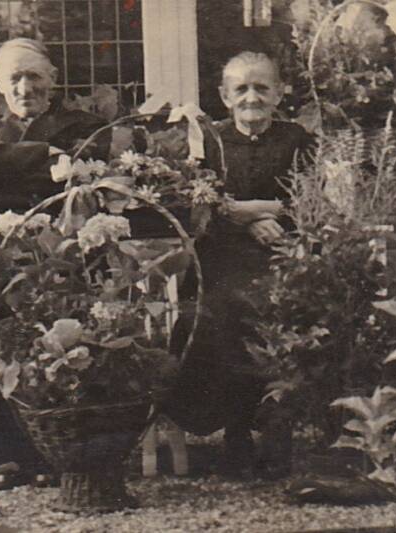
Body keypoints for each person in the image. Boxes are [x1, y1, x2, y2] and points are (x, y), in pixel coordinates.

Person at [0, 38, 110, 486]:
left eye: (34, 76)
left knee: (67, 343)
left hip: (64, 263)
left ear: (53, 80)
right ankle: (9, 453)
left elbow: (89, 163)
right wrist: (41, 155)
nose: (25, 87)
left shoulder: (83, 126)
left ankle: (60, 454)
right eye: (14, 78)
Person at [164, 51, 312, 479]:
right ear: (225, 96)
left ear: (279, 93)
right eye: (241, 89)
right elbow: (199, 203)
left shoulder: (297, 139)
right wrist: (249, 220)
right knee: (223, 306)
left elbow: (313, 196)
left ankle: (277, 418)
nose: (252, 97)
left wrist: (266, 212)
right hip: (222, 253)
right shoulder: (210, 141)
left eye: (262, 88)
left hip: (283, 250)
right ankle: (236, 430)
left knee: (282, 301)